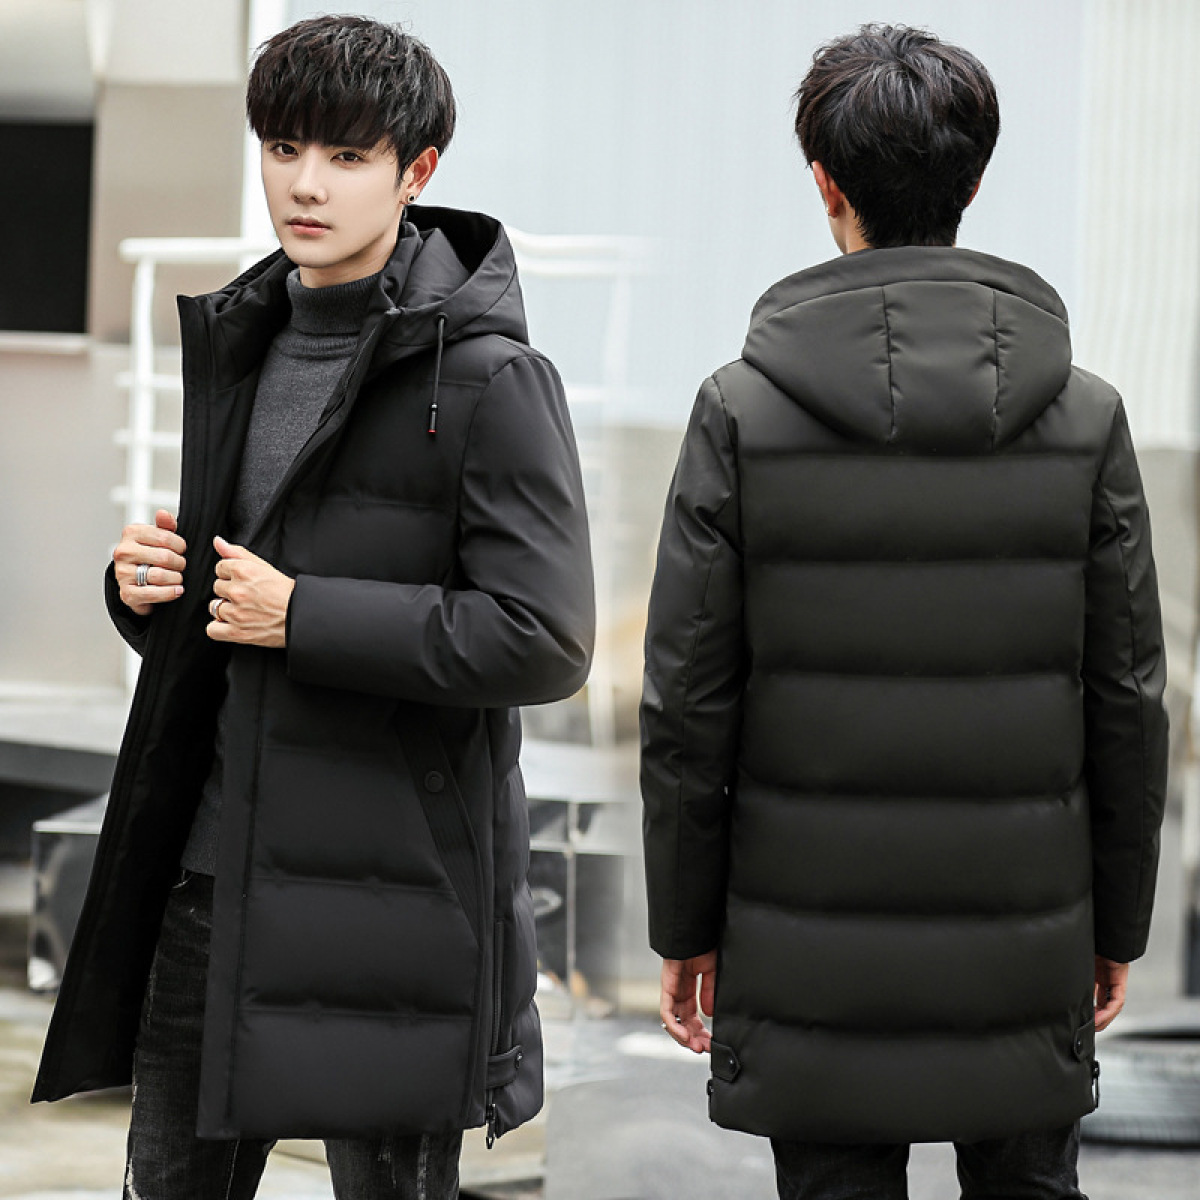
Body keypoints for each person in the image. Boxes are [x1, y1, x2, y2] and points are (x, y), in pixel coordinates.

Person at [32, 15, 594, 1199]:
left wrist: (305, 616)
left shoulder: (490, 378)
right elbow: (238, 601)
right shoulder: (245, 339)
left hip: (389, 903)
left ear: (416, 171)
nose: (304, 184)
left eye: (346, 156)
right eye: (284, 148)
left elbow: (545, 640)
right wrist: (151, 591)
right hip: (207, 878)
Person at [640, 23, 1168, 1200]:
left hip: (807, 957)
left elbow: (687, 703)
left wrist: (685, 925)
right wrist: (1116, 924)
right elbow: (1129, 698)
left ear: (824, 182)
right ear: (973, 183)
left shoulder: (739, 413)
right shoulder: (1084, 417)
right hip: (1024, 942)